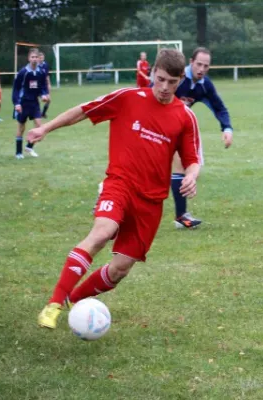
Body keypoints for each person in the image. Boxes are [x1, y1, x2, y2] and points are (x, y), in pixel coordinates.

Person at [30, 48, 201, 330]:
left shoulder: (184, 117)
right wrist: (46, 128)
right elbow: (83, 111)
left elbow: (192, 160)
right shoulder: (128, 98)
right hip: (120, 184)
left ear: (181, 79)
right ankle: (54, 304)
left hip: (151, 202)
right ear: (152, 73)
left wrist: (192, 176)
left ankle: (75, 300)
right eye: (160, 79)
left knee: (120, 269)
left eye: (172, 82)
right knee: (101, 233)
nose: (164, 87)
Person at [171, 47, 233, 229]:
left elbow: (219, 107)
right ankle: (108, 193)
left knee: (180, 166)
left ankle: (181, 216)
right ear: (191, 62)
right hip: (154, 126)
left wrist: (227, 128)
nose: (202, 69)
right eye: (199, 64)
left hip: (176, 129)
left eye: (206, 66)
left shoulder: (204, 84)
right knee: (143, 170)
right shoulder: (177, 76)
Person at [12, 48, 49, 159]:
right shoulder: (23, 72)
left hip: (34, 103)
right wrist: (17, 103)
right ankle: (18, 152)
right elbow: (16, 89)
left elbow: (43, 86)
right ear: (29, 58)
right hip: (23, 103)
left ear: (39, 59)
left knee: (39, 127)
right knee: (21, 128)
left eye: (36, 57)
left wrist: (43, 94)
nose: (34, 59)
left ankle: (29, 147)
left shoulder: (41, 72)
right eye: (32, 57)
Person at [38, 51, 52, 118]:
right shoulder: (36, 66)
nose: (41, 59)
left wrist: (49, 84)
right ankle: (37, 113)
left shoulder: (45, 65)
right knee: (41, 99)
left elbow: (47, 76)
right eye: (40, 58)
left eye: (42, 57)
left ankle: (43, 113)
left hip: (44, 85)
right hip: (38, 86)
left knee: (49, 100)